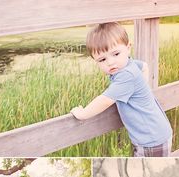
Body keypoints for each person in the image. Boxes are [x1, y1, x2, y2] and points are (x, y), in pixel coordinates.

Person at [70, 22, 172, 157]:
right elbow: (145, 66)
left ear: (128, 47)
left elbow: (105, 101)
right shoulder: (129, 64)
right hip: (156, 134)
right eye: (102, 60)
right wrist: (141, 89)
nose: (110, 62)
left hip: (151, 140)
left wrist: (82, 114)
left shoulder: (126, 76)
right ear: (95, 61)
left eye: (116, 54)